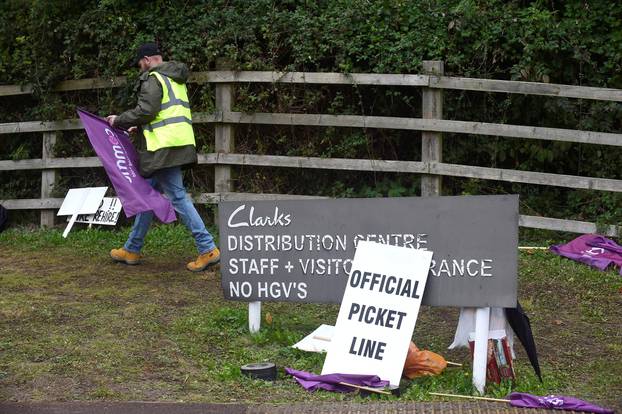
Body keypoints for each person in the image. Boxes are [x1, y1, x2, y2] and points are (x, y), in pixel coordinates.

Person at [106, 42, 219, 272]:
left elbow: (147, 110)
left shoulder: (153, 78)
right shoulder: (173, 78)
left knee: (177, 197)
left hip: (163, 149)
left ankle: (207, 247)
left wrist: (119, 120)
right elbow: (163, 113)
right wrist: (142, 128)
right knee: (146, 194)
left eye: (140, 64)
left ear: (147, 60)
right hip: (175, 144)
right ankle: (133, 248)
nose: (140, 68)